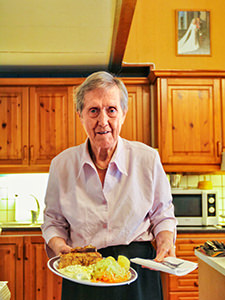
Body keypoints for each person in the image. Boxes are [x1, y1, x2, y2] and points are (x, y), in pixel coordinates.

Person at [41, 71, 177, 300]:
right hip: (83, 272)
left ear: (123, 114)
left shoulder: (147, 159)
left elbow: (162, 214)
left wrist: (165, 240)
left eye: (111, 110)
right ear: (80, 116)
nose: (102, 121)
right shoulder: (61, 165)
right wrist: (60, 247)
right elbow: (53, 222)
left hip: (137, 272)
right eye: (93, 110)